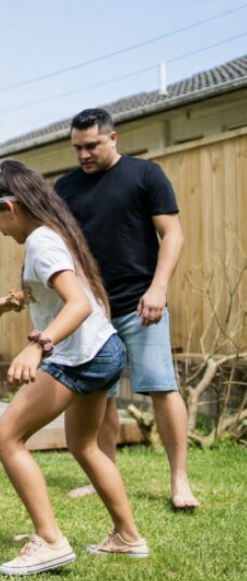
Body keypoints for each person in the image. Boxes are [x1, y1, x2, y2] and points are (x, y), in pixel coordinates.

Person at [0, 160, 147, 577]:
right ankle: (127, 537)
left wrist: (38, 346)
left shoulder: (41, 241)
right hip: (105, 349)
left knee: (6, 437)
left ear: (10, 208)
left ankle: (50, 542)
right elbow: (53, 288)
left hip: (79, 356)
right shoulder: (53, 233)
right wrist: (14, 301)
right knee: (85, 446)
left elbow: (78, 303)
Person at [54, 108, 198, 510]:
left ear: (113, 138)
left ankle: (179, 479)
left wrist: (158, 288)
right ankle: (106, 474)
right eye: (77, 148)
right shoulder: (66, 188)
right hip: (93, 309)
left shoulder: (145, 175)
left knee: (161, 387)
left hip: (141, 303)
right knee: (99, 395)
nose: (83, 154)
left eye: (91, 145)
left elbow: (172, 234)